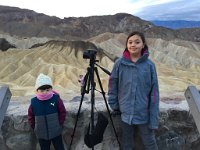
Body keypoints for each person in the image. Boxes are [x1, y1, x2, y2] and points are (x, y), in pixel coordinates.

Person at [108, 31, 159, 150]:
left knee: (150, 142)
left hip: (144, 113)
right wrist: (114, 105)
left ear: (143, 44)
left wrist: (153, 116)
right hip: (125, 113)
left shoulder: (149, 65)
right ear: (126, 45)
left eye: (137, 42)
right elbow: (112, 84)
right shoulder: (119, 63)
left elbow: (154, 92)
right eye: (130, 42)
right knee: (126, 143)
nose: (133, 45)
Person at [28, 73, 67, 150]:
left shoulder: (56, 99)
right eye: (42, 90)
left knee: (60, 148)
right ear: (37, 90)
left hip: (56, 132)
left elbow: (62, 112)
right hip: (41, 134)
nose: (45, 92)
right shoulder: (34, 102)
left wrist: (59, 124)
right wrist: (35, 128)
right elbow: (30, 116)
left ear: (51, 89)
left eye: (47, 90)